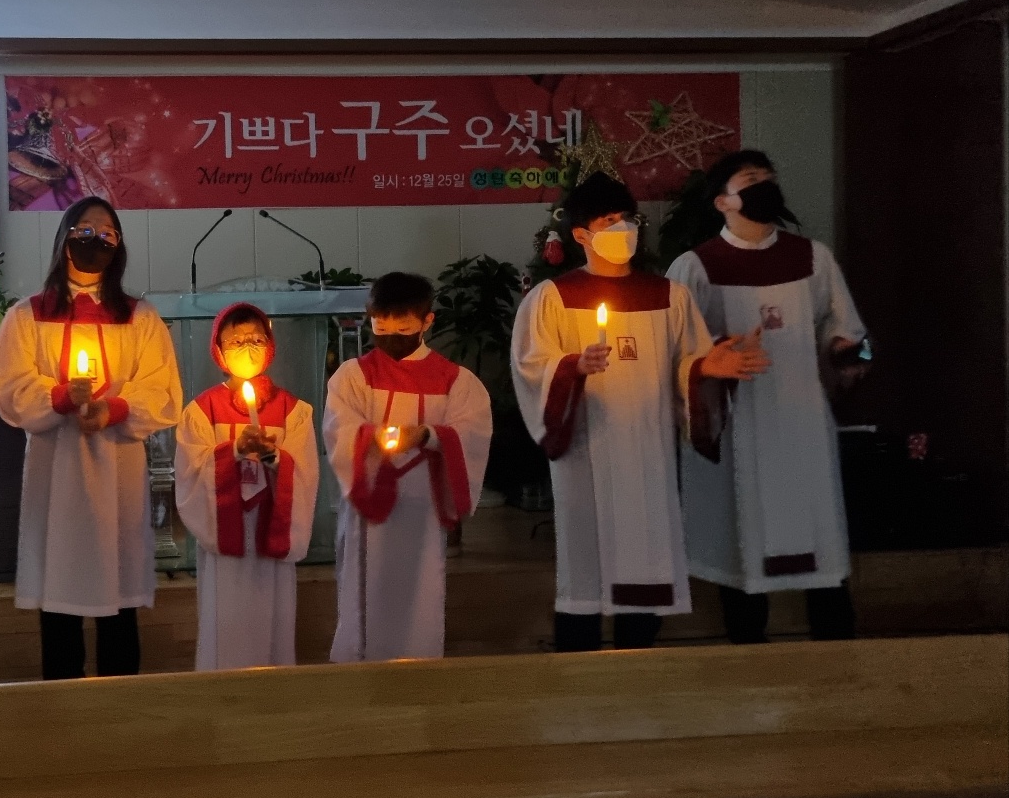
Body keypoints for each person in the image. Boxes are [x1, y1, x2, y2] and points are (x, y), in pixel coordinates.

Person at [511, 172, 769, 652]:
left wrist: (708, 366)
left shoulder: (670, 296)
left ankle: (640, 660)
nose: (622, 228)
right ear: (581, 235)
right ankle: (578, 663)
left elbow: (688, 363)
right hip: (587, 452)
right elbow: (531, 366)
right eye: (608, 221)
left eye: (626, 218)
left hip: (648, 452)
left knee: (644, 559)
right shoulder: (553, 298)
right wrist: (571, 368)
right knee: (586, 570)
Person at [666, 150, 868, 643]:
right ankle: (747, 654)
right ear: (722, 202)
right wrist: (711, 361)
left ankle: (839, 660)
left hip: (802, 422)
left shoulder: (814, 257)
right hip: (739, 425)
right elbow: (671, 350)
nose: (765, 184)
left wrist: (850, 353)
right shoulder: (695, 267)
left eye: (769, 177)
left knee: (821, 549)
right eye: (751, 178)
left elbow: (849, 331)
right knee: (744, 549)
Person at [0, 196, 183, 680]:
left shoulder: (140, 318)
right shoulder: (27, 316)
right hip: (56, 473)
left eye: (107, 232)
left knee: (119, 601)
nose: (96, 239)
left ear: (119, 247)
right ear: (64, 238)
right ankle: (62, 705)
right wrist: (59, 398)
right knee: (59, 601)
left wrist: (114, 408)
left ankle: (120, 701)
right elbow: (10, 388)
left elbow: (162, 389)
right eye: (85, 229)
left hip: (117, 472)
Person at [326, 272, 492, 663]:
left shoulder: (454, 380)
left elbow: (471, 432)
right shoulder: (354, 375)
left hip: (422, 508)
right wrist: (372, 436)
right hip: (369, 506)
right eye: (380, 326)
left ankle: (418, 664)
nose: (391, 336)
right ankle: (358, 666)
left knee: (419, 591)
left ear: (427, 321)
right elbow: (338, 429)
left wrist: (428, 435)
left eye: (403, 327)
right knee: (364, 590)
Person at [174, 303, 319, 670]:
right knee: (226, 624)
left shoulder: (293, 411)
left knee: (273, 627)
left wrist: (273, 458)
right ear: (219, 350)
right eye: (236, 341)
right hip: (226, 535)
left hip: (271, 530)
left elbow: (305, 473)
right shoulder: (202, 411)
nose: (247, 348)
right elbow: (190, 472)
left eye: (255, 339)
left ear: (269, 345)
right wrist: (234, 451)